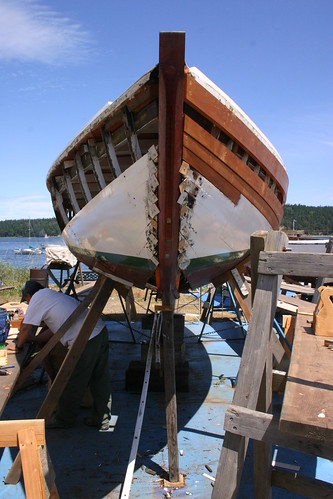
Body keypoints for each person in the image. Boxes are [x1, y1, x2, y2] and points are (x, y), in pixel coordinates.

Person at [8, 280, 112, 431]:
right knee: (100, 378)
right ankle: (102, 419)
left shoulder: (38, 298)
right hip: (99, 331)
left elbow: (25, 329)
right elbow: (53, 332)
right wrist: (32, 339)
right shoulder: (52, 296)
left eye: (26, 300)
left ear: (29, 295)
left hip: (87, 339)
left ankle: (64, 419)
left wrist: (18, 345)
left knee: (72, 379)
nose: (28, 304)